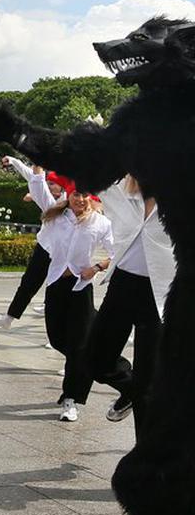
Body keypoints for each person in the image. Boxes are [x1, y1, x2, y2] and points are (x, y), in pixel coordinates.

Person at [88, 176, 173, 434]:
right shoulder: (121, 190)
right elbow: (83, 161)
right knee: (95, 360)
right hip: (122, 286)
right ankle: (130, 389)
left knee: (148, 383)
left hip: (159, 293)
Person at [40, 189, 114, 422]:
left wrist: (97, 267)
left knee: (78, 347)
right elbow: (43, 244)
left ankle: (71, 399)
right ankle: (86, 362)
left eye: (84, 195)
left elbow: (117, 251)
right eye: (75, 195)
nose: (80, 200)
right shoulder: (56, 218)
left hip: (81, 287)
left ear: (91, 197)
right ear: (69, 196)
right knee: (57, 339)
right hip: (55, 284)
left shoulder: (100, 222)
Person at [0, 160, 71, 329]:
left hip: (63, 254)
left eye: (52, 183)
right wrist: (15, 161)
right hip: (44, 248)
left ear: (62, 187)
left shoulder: (73, 204)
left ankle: (56, 331)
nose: (49, 186)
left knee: (58, 292)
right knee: (28, 283)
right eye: (48, 182)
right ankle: (9, 318)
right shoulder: (49, 202)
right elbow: (33, 177)